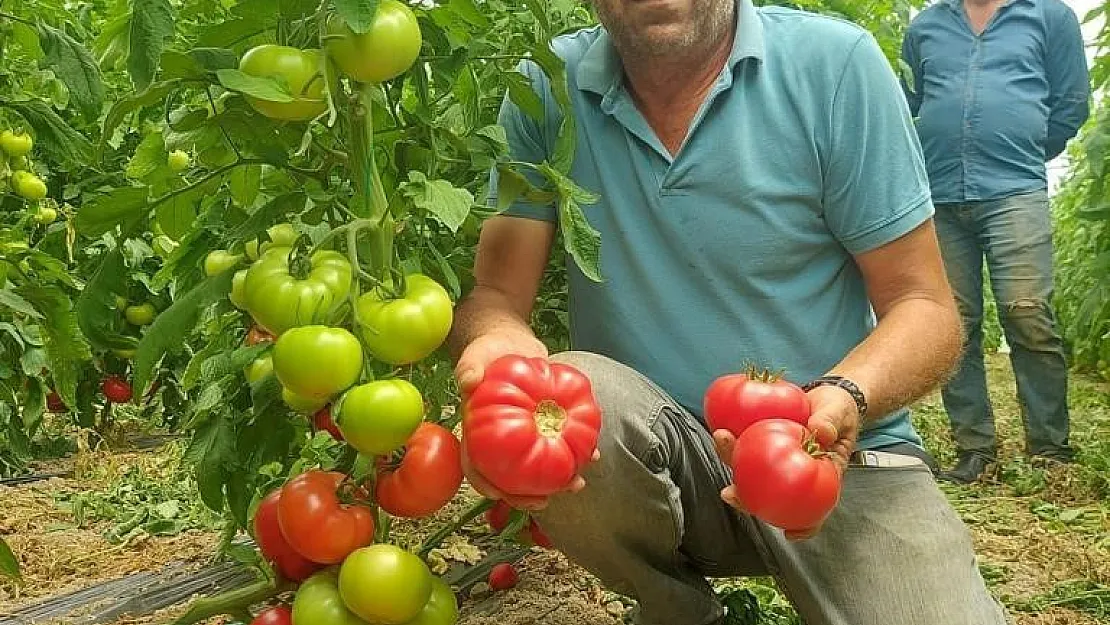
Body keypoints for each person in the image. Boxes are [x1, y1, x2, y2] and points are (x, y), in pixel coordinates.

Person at [448, 0, 1009, 623]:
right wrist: (497, 352)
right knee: (586, 393)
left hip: (836, 463)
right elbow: (496, 296)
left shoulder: (834, 68)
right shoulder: (546, 89)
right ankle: (676, 610)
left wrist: (847, 395)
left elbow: (924, 304)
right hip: (657, 463)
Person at [901, 0, 1090, 484]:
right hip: (939, 193)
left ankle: (1049, 447)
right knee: (954, 324)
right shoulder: (926, 26)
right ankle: (974, 449)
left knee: (1027, 311)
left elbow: (1071, 103)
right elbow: (912, 103)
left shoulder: (1050, 16)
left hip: (1015, 190)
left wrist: (1023, 145)